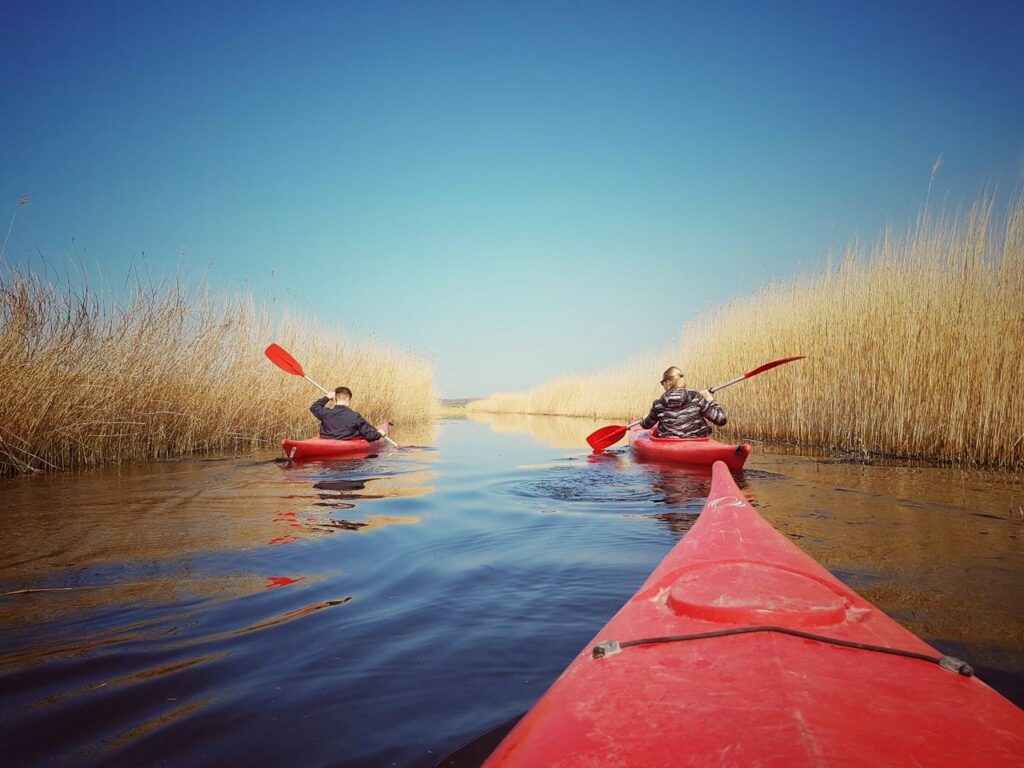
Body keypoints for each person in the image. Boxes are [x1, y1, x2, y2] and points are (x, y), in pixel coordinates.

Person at [640, 366, 727, 438]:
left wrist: (642, 420)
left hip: (669, 446)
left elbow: (646, 425)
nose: (663, 385)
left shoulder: (658, 404)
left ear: (668, 382)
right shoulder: (697, 398)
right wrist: (710, 399)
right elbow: (721, 420)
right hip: (696, 444)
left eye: (663, 383)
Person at [310, 387, 385, 442]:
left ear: (335, 399)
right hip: (344, 444)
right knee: (358, 432)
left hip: (325, 442)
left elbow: (314, 407)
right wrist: (380, 434)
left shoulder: (326, 413)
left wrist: (327, 397)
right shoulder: (355, 417)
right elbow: (370, 436)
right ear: (348, 399)